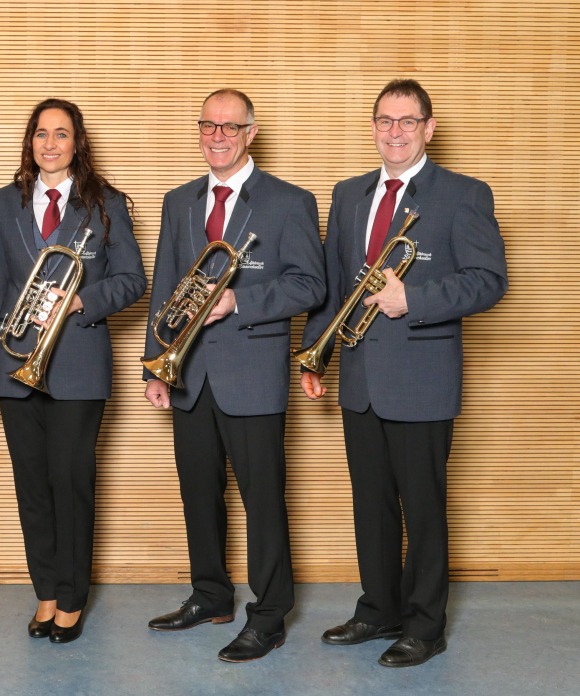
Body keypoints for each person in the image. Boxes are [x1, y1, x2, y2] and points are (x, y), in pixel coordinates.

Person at [299, 79, 507, 668]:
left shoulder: (464, 194)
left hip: (422, 379)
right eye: (386, 121)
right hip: (360, 377)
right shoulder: (348, 194)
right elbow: (335, 282)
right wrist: (318, 351)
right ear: (373, 128)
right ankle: (378, 610)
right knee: (372, 505)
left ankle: (424, 625)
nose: (396, 132)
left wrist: (411, 299)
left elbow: (489, 280)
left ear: (428, 128)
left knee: (423, 507)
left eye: (408, 121)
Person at [143, 89, 325, 663]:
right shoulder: (179, 201)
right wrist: (156, 363)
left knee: (262, 500)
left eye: (229, 127)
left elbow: (310, 285)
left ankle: (268, 617)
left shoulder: (289, 201)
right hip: (188, 371)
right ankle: (210, 595)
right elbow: (166, 284)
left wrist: (238, 302)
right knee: (198, 493)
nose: (217, 136)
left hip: (252, 373)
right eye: (208, 126)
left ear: (251, 133)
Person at [0, 98, 146, 644]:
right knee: (32, 486)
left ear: (77, 143)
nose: (50, 144)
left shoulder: (106, 203)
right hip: (13, 362)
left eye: (61, 134)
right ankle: (45, 591)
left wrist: (80, 300)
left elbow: (133, 279)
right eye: (41, 133)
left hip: (78, 366)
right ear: (30, 142)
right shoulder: (5, 202)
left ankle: (71, 599)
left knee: (71, 483)